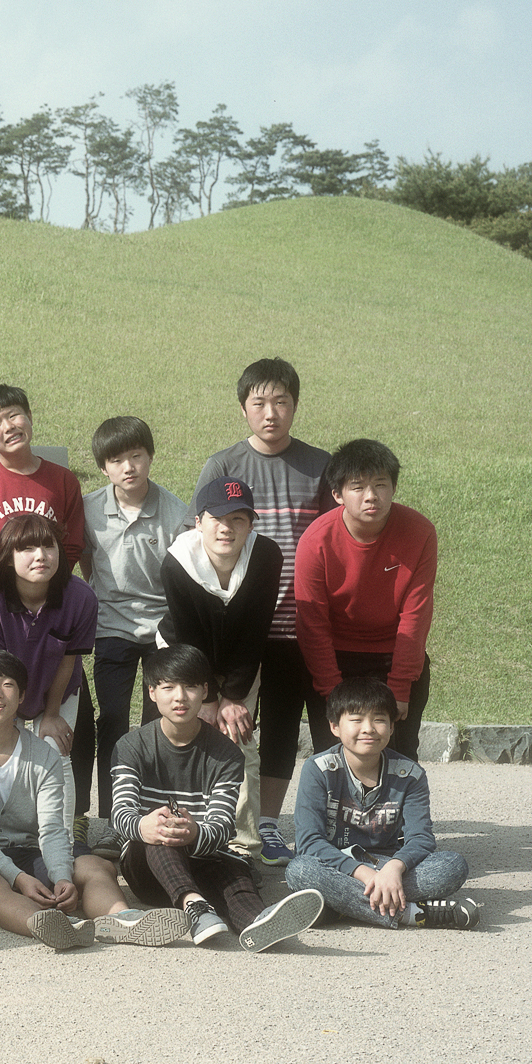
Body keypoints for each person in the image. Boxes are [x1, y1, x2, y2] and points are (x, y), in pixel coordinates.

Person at [0, 650, 169, 951]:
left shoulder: (44, 755)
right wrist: (19, 879)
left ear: (22, 696)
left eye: (8, 685)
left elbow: (53, 828)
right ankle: (56, 926)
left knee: (94, 866)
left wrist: (61, 877)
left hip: (32, 850)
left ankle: (122, 920)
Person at [194, 357, 333, 862]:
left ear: (295, 405)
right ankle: (235, 824)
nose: (270, 413)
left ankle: (288, 824)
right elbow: (201, 543)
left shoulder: (321, 466)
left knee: (297, 726)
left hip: (306, 622)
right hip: (243, 625)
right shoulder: (222, 465)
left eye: (281, 401)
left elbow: (335, 540)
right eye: (259, 403)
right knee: (243, 727)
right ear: (243, 408)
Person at [108, 645, 324, 951]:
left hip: (204, 858)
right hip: (150, 869)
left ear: (205, 691)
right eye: (168, 688)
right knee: (162, 836)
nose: (180, 697)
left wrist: (195, 832)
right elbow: (121, 814)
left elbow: (222, 826)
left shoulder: (226, 754)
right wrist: (146, 826)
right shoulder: (131, 747)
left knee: (235, 871)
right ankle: (194, 907)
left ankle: (258, 923)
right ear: (152, 692)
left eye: (190, 687)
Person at [283, 678, 477, 930]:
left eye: (379, 719)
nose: (368, 729)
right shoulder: (318, 769)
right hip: (336, 865)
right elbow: (309, 841)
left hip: (387, 866)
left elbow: (421, 839)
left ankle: (338, 908)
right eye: (356, 720)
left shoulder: (410, 774)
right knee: (300, 870)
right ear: (334, 726)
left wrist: (394, 869)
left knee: (452, 866)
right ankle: (412, 914)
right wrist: (365, 875)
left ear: (392, 726)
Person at [78, 416, 191, 824]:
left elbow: (182, 577)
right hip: (112, 627)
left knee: (157, 722)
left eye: (136, 456)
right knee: (112, 718)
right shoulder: (88, 509)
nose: (128, 467)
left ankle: (150, 809)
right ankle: (113, 815)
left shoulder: (176, 512)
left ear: (150, 457)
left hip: (161, 629)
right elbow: (85, 559)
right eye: (116, 460)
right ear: (103, 467)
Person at [295, 439, 437, 759]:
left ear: (394, 488)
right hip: (334, 657)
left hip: (392, 654)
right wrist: (332, 692)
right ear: (337, 494)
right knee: (335, 759)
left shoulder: (420, 532)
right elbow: (312, 624)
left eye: (380, 485)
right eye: (357, 487)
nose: (371, 496)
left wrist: (400, 687)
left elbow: (415, 617)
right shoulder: (315, 540)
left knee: (398, 758)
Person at [157, 477, 282, 751]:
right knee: (185, 738)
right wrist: (208, 696)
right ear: (198, 523)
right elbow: (188, 636)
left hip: (241, 658)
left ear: (251, 525)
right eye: (216, 518)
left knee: (237, 742)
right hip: (184, 651)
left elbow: (255, 632)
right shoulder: (176, 563)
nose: (226, 528)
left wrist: (233, 696)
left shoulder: (266, 556)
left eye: (237, 519)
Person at [0, 513, 96, 765]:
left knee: (55, 754)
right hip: (6, 688)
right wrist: (10, 717)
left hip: (58, 689)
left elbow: (68, 661)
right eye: (27, 548)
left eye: (49, 546)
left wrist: (51, 714)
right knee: (8, 756)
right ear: (8, 557)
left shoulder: (81, 597)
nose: (41, 555)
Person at [0, 385, 85, 564]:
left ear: (30, 417)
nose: (9, 427)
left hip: (49, 578)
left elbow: (72, 543)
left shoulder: (64, 480)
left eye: (13, 415)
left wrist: (55, 577)